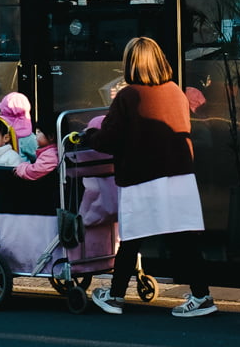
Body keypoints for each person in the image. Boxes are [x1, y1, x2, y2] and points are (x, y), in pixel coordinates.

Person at [81, 36, 217, 318]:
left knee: (132, 238)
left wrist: (89, 135)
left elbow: (108, 139)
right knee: (184, 237)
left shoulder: (129, 95)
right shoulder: (176, 92)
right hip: (179, 174)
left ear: (130, 64)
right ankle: (202, 296)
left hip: (142, 176)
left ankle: (115, 296)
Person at [14, 115, 60, 181]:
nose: (36, 135)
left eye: (39, 132)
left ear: (50, 136)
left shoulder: (50, 155)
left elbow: (35, 171)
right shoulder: (52, 152)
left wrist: (22, 167)